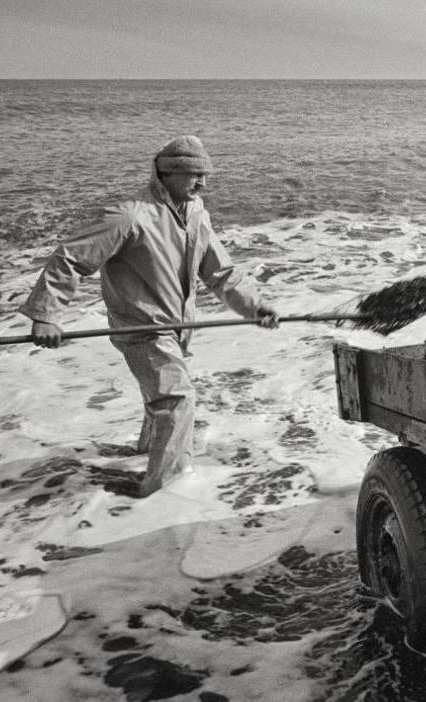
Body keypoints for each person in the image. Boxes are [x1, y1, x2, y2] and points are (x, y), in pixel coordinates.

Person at [17, 135, 279, 497]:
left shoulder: (195, 213)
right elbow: (71, 257)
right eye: (194, 175)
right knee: (177, 400)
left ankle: (144, 458)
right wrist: (45, 316)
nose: (203, 183)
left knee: (162, 401)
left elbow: (219, 272)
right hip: (141, 329)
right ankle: (164, 493)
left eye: (205, 175)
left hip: (177, 328)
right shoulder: (131, 216)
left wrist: (254, 306)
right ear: (167, 173)